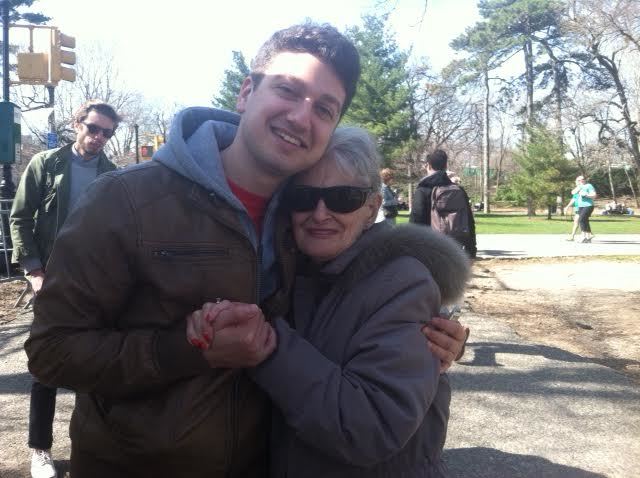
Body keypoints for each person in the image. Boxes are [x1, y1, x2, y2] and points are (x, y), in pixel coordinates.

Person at [24, 23, 466, 477]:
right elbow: (52, 350)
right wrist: (184, 349)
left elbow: (355, 307)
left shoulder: (303, 221)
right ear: (246, 92)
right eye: (287, 90)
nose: (300, 117)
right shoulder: (125, 200)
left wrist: (425, 340)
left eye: (324, 108)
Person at [186, 127, 470, 477]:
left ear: (372, 207)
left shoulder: (402, 282)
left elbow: (369, 428)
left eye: (343, 197)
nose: (320, 213)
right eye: (304, 197)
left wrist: (267, 346)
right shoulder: (290, 274)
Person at [10, 100, 121, 478]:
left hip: (94, 284)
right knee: (47, 366)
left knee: (95, 363)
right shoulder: (46, 164)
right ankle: (40, 449)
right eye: (93, 128)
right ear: (78, 124)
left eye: (107, 132)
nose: (99, 137)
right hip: (51, 280)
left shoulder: (112, 175)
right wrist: (34, 271)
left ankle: (92, 445)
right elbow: (20, 218)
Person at [410, 149, 477, 259]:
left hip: (429, 248)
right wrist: (471, 249)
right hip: (455, 247)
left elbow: (415, 221)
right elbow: (469, 220)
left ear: (428, 165)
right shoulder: (458, 190)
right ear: (446, 165)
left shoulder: (423, 190)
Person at [574, 175, 597, 243]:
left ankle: (583, 236)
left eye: (583, 179)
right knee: (585, 220)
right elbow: (573, 192)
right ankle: (588, 236)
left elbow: (594, 195)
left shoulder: (589, 186)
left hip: (588, 205)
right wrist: (578, 186)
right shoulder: (579, 187)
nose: (581, 181)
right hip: (580, 206)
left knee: (581, 219)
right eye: (579, 180)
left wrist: (586, 195)